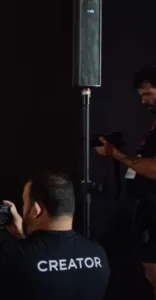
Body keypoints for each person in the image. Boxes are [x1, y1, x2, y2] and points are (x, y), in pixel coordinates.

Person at [0, 171, 110, 300]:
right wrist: (23, 236)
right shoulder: (98, 254)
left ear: (36, 209)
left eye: (25, 203)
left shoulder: (10, 256)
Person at [94, 64, 156, 299]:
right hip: (147, 214)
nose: (144, 102)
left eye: (148, 93)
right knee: (150, 271)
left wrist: (115, 154)